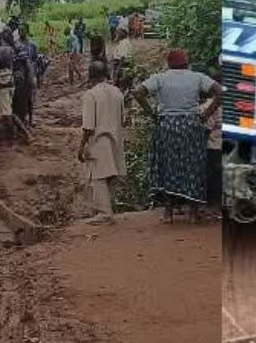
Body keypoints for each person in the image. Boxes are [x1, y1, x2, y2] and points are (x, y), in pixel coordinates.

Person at [133, 48, 222, 224]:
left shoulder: (160, 78)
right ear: (186, 63)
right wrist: (205, 115)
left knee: (167, 166)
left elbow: (138, 92)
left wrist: (151, 113)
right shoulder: (197, 77)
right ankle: (193, 213)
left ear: (168, 64)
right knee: (194, 167)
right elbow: (220, 92)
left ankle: (168, 213)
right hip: (191, 126)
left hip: (167, 125)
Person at [78, 59, 126, 223]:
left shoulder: (90, 95)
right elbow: (123, 118)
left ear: (90, 76)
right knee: (111, 174)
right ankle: (108, 208)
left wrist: (82, 146)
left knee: (97, 176)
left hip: (99, 140)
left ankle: (105, 213)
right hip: (115, 137)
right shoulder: (117, 92)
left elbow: (88, 126)